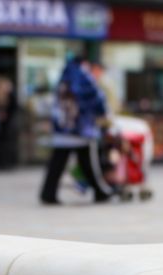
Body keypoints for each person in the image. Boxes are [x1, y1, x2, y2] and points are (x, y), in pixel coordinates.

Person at [39, 55, 113, 205]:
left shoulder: (63, 78)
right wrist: (103, 115)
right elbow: (96, 99)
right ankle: (100, 192)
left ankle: (48, 193)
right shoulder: (83, 77)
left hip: (61, 130)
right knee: (88, 164)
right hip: (80, 131)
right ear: (84, 63)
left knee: (57, 164)